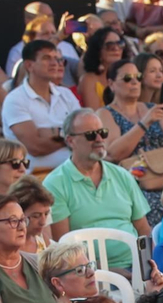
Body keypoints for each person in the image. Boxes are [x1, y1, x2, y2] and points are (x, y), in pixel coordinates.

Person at [44, 108, 154, 271]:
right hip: (88, 273)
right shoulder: (55, 183)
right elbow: (64, 246)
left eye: (102, 133)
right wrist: (108, 271)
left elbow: (144, 230)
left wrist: (146, 269)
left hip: (136, 266)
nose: (99, 139)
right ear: (70, 141)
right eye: (90, 135)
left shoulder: (122, 175)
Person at [2, 39, 82, 172]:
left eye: (57, 59)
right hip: (37, 177)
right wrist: (70, 135)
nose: (54, 63)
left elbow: (84, 133)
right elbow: (35, 147)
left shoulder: (66, 94)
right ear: (29, 65)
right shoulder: (15, 99)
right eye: (46, 58)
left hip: (75, 169)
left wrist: (55, 133)